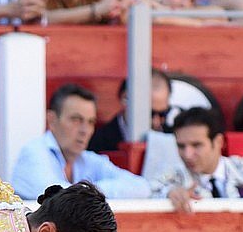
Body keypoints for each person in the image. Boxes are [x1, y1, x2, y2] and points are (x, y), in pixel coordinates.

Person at [11, 83, 151, 199]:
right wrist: (92, 191)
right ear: (52, 120)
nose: (85, 130)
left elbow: (141, 187)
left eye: (90, 122)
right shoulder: (34, 152)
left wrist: (88, 191)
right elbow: (58, 197)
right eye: (76, 120)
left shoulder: (87, 159)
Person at [89, 68, 172, 150]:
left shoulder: (173, 140)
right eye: (150, 114)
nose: (156, 122)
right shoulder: (99, 142)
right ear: (125, 99)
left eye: (163, 113)